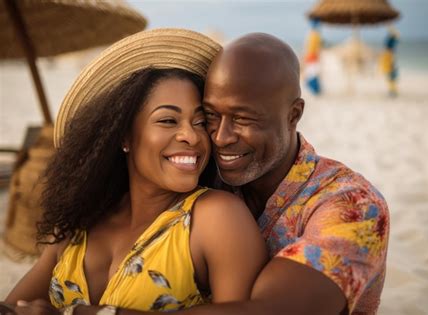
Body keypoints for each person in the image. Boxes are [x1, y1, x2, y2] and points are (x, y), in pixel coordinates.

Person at [4, 29, 268, 315]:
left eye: (200, 122)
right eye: (168, 120)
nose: (191, 137)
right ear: (124, 137)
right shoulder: (80, 223)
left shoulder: (216, 217)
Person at [173, 33, 390, 314]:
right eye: (211, 115)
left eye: (242, 118)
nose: (220, 137)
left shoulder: (354, 205)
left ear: (293, 115)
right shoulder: (201, 175)